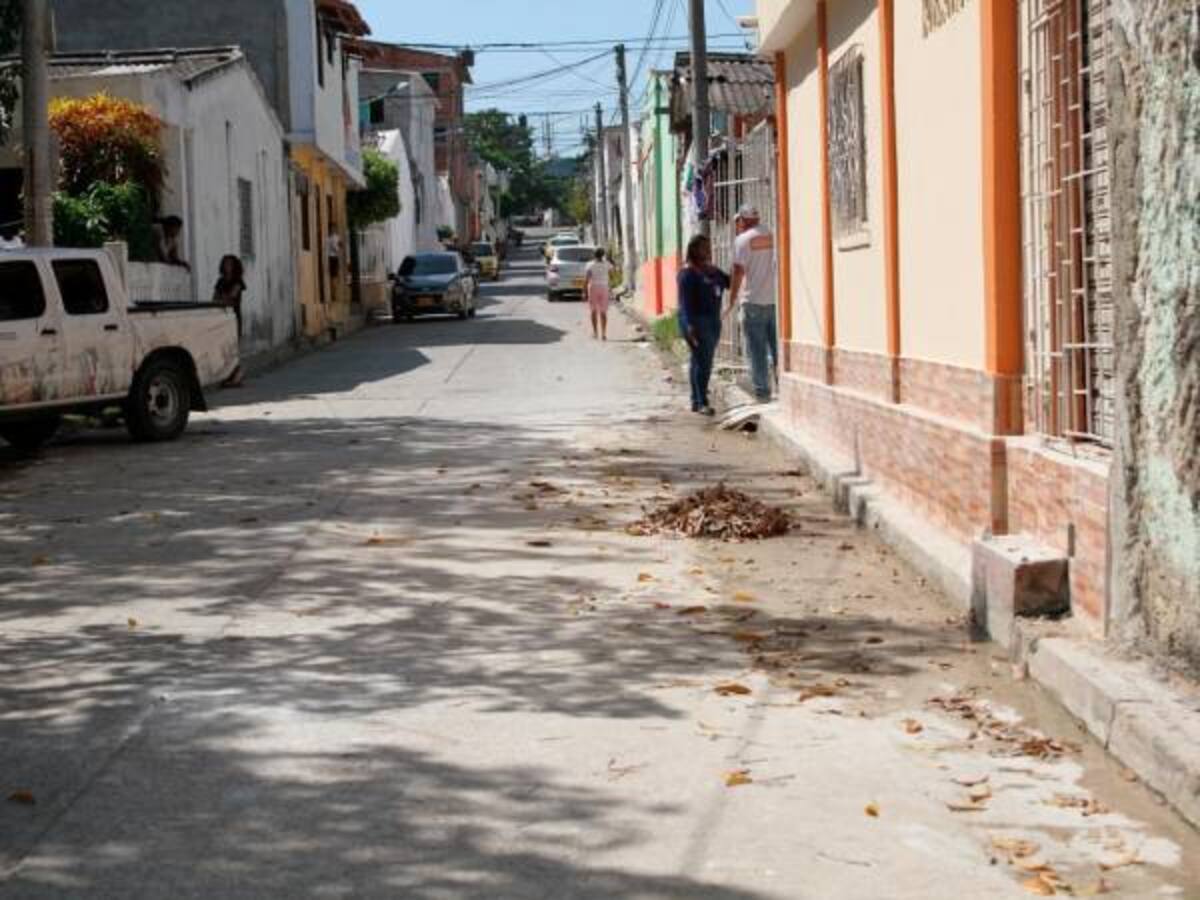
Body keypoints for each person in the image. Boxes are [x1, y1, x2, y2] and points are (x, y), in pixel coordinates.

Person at [727, 205, 778, 403]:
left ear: (743, 220)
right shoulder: (772, 235)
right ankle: (783, 386)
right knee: (777, 349)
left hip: (752, 302)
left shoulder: (742, 241)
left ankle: (763, 392)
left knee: (756, 350)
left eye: (738, 220)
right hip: (774, 302)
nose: (737, 224)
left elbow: (738, 272)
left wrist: (731, 300)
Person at [677, 234, 729, 416]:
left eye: (708, 247)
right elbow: (684, 304)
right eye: (703, 247)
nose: (708, 250)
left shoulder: (713, 271)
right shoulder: (687, 274)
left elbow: (729, 282)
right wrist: (689, 326)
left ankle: (695, 400)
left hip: (713, 320)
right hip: (695, 321)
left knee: (698, 361)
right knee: (704, 362)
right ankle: (701, 402)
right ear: (693, 250)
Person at [213, 255, 246, 388]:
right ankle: (228, 375)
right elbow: (215, 298)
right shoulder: (220, 281)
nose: (227, 266)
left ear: (234, 266)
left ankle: (237, 375)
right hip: (221, 317)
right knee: (223, 346)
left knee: (233, 346)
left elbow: (231, 296)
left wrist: (223, 298)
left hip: (233, 317)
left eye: (230, 264)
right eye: (225, 263)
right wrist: (223, 298)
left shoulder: (238, 281)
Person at [584, 247, 614, 341]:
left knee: (593, 311)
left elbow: (587, 279)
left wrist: (583, 290)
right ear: (603, 255)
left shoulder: (590, 265)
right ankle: (604, 334)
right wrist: (610, 285)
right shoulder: (607, 264)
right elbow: (612, 276)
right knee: (603, 312)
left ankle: (595, 333)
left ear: (594, 255)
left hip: (593, 287)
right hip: (604, 287)